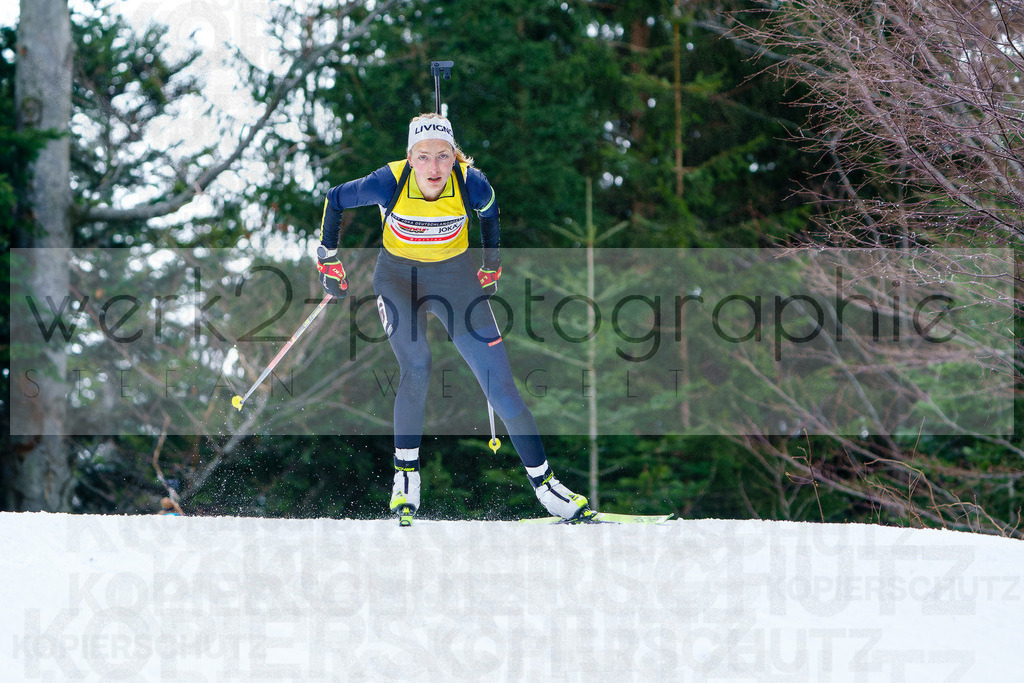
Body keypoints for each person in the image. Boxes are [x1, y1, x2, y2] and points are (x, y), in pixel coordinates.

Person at [315, 113, 592, 522]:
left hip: (456, 281)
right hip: (398, 281)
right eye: (424, 157)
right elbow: (336, 198)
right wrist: (327, 258)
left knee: (501, 388)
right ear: (410, 158)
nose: (434, 167)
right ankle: (405, 479)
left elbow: (490, 214)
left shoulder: (470, 182)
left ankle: (547, 486)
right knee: (417, 365)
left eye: (443, 156)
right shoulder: (388, 181)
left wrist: (491, 264)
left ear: (454, 156)